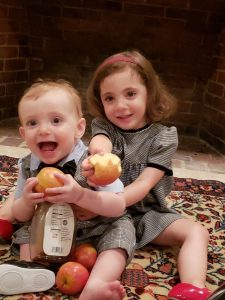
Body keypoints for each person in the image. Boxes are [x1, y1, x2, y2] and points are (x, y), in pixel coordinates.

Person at [82, 50, 211, 300]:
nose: (120, 106)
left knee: (197, 231)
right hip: (107, 215)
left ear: (149, 93)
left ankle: (192, 288)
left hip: (147, 214)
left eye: (130, 94)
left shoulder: (163, 136)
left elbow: (144, 184)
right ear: (101, 102)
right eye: (109, 98)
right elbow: (101, 143)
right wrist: (98, 156)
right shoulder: (104, 127)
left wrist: (105, 205)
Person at [0, 79, 136, 300]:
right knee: (25, 233)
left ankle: (97, 284)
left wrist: (80, 195)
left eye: (55, 120)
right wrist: (26, 201)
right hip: (49, 232)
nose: (43, 130)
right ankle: (31, 269)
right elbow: (20, 214)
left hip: (95, 230)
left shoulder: (94, 162)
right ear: (23, 134)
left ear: (79, 128)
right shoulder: (27, 165)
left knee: (119, 238)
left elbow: (117, 206)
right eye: (33, 123)